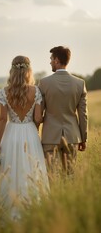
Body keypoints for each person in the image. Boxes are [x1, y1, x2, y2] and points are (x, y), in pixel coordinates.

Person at [0, 55, 49, 220]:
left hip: (10, 134)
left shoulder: (4, 92)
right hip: (30, 135)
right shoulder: (36, 91)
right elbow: (38, 119)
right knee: (31, 170)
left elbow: (3, 119)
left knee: (10, 170)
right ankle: (31, 210)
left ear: (12, 70)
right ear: (28, 70)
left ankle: (8, 211)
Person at [39, 46, 88, 174]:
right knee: (70, 176)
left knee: (51, 177)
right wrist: (84, 138)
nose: (50, 62)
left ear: (56, 60)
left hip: (50, 137)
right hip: (72, 136)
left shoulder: (44, 83)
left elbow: (39, 113)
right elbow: (83, 115)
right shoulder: (79, 84)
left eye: (51, 59)